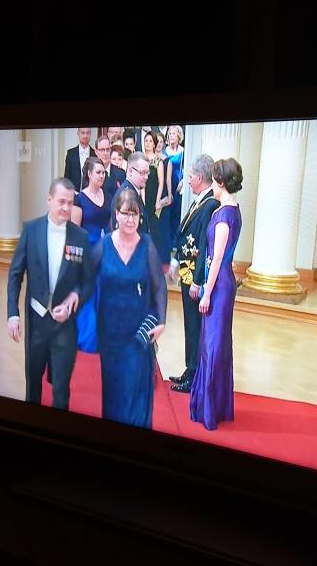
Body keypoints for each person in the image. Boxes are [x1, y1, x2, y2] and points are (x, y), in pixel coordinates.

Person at [7, 178, 94, 409]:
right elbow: (15, 274)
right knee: (33, 382)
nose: (66, 208)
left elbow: (88, 281)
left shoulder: (80, 237)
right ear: (49, 200)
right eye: (61, 202)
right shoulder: (31, 230)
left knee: (61, 389)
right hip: (37, 320)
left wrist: (76, 296)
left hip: (64, 324)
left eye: (70, 203)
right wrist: (12, 313)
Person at [90, 189, 168, 429]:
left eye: (135, 215)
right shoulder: (103, 245)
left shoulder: (147, 245)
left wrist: (161, 321)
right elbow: (84, 278)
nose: (131, 220)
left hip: (137, 334)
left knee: (135, 390)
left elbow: (159, 286)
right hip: (110, 334)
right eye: (126, 214)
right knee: (114, 391)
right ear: (117, 214)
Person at [189, 158, 243, 430]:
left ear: (220, 182)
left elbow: (218, 258)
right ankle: (212, 404)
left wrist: (207, 293)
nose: (210, 183)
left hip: (219, 285)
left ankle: (210, 409)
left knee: (213, 346)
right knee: (214, 344)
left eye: (213, 179)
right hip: (222, 282)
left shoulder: (224, 216)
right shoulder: (231, 209)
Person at [169, 154, 219, 393]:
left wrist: (198, 281)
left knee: (195, 327)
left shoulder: (209, 205)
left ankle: (194, 374)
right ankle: (189, 369)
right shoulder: (199, 201)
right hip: (186, 272)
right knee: (189, 325)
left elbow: (204, 245)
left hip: (194, 278)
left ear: (199, 177)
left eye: (190, 176)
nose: (188, 180)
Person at [70, 157, 113, 353]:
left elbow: (110, 225)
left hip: (104, 251)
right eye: (98, 172)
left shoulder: (108, 195)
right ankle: (87, 338)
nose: (102, 176)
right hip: (87, 251)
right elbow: (74, 231)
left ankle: (102, 336)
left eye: (103, 172)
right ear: (89, 174)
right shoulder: (79, 199)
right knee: (88, 293)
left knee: (103, 293)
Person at [159, 125, 185, 265]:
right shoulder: (165, 151)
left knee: (177, 214)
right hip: (167, 184)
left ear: (179, 136)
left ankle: (176, 243)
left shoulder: (183, 151)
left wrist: (183, 181)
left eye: (174, 134)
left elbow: (186, 167)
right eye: (169, 134)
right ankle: (167, 245)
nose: (171, 136)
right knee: (167, 214)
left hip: (178, 186)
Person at [63, 127, 96, 192]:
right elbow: (67, 177)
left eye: (87, 133)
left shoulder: (95, 154)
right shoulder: (70, 153)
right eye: (83, 133)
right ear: (78, 133)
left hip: (91, 194)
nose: (85, 136)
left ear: (90, 134)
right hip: (73, 193)